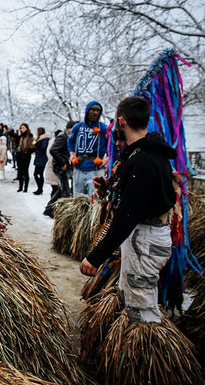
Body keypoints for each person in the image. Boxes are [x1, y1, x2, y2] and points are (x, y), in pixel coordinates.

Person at [80, 96, 176, 324]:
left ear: (121, 121)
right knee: (136, 299)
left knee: (143, 312)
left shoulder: (143, 160)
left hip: (145, 243)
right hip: (147, 240)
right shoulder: (148, 154)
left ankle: (147, 351)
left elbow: (127, 216)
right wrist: (110, 187)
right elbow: (139, 196)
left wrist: (95, 257)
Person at [68, 101, 108, 195]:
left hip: (95, 170)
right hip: (79, 168)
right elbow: (71, 141)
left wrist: (107, 159)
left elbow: (113, 145)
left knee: (95, 200)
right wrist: (72, 154)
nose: (95, 113)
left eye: (98, 111)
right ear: (87, 111)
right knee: (78, 201)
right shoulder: (77, 127)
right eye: (93, 110)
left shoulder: (103, 128)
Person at [43, 120, 77, 217]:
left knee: (63, 189)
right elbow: (53, 150)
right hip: (60, 166)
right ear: (69, 128)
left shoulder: (70, 137)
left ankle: (49, 208)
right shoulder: (63, 137)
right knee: (65, 190)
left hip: (66, 166)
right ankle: (61, 212)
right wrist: (62, 162)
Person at [16, 123, 34, 192]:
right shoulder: (21, 136)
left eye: (23, 128)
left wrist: (27, 151)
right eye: (21, 128)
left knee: (25, 171)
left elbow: (32, 146)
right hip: (20, 155)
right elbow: (18, 145)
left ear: (27, 128)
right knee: (20, 171)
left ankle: (25, 187)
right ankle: (20, 187)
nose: (21, 129)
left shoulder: (30, 136)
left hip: (26, 156)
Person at [32, 127, 50, 195]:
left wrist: (37, 144)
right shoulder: (40, 139)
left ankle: (40, 189)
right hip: (39, 158)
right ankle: (39, 188)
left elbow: (43, 148)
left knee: (38, 174)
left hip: (42, 158)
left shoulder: (44, 139)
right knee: (37, 174)